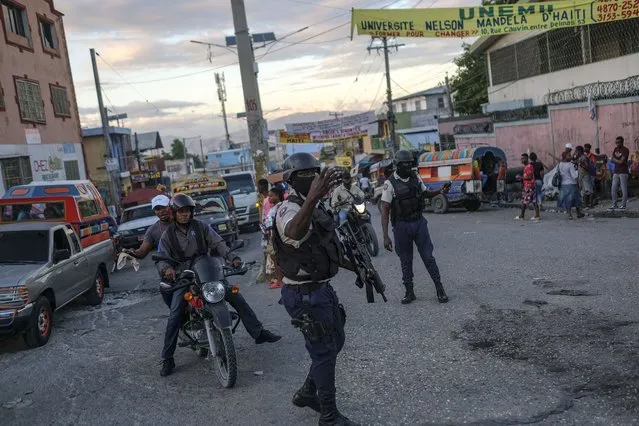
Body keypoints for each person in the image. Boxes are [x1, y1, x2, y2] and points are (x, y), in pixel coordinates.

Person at [272, 153, 357, 426]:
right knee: (323, 351)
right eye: (304, 175)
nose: (312, 180)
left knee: (336, 341)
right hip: (303, 294)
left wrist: (358, 268)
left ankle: (309, 392)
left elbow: (325, 248)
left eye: (314, 174)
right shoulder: (288, 210)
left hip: (322, 289)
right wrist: (311, 198)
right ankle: (329, 416)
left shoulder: (317, 206)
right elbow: (295, 233)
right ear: (291, 181)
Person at [155, 193, 281, 377]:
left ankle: (259, 332)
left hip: (207, 272)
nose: (185, 215)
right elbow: (161, 258)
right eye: (181, 212)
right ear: (174, 213)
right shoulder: (167, 235)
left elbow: (218, 243)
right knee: (175, 313)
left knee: (236, 296)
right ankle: (167, 358)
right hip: (184, 276)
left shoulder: (201, 227)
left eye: (188, 211)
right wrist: (167, 269)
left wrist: (233, 258)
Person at [379, 150, 450, 305]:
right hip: (401, 226)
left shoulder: (415, 177)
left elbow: (426, 194)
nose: (408, 167)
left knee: (428, 258)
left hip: (418, 223)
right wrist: (385, 236)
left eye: (410, 164)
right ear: (397, 165)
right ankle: (409, 292)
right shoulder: (389, 183)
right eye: (405, 164)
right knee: (406, 260)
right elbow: (385, 211)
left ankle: (439, 288)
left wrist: (440, 191)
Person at [557, 152, 584, 220]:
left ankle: (570, 215)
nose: (571, 156)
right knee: (576, 200)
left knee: (567, 201)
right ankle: (578, 213)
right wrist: (577, 171)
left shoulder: (560, 164)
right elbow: (574, 176)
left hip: (564, 184)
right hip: (572, 184)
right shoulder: (570, 165)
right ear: (565, 156)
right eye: (569, 155)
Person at [516, 153, 540, 221]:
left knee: (524, 201)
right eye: (521, 159)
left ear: (527, 159)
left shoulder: (528, 166)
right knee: (534, 201)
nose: (522, 160)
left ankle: (522, 216)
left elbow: (530, 177)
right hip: (531, 186)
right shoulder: (528, 166)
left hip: (528, 186)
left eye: (523, 158)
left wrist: (521, 177)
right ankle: (537, 216)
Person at [610, 136, 630, 210]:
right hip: (616, 171)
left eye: (619, 142)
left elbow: (621, 161)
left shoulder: (625, 150)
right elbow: (612, 159)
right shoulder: (615, 149)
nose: (617, 144)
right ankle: (614, 204)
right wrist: (616, 160)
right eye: (616, 142)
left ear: (622, 142)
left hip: (623, 172)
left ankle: (623, 205)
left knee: (623, 189)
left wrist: (615, 160)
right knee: (613, 188)